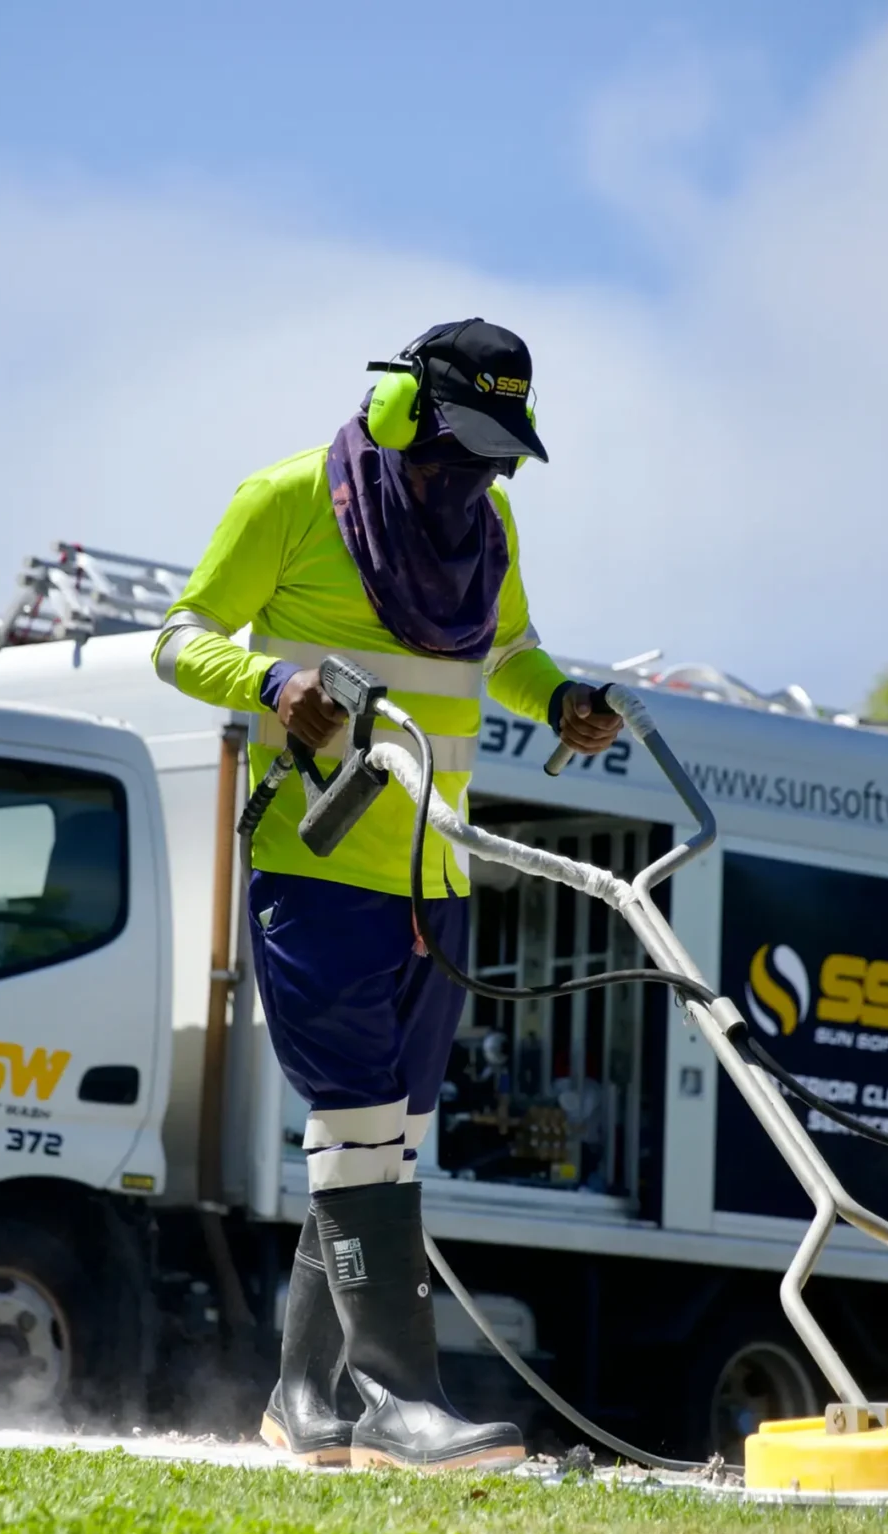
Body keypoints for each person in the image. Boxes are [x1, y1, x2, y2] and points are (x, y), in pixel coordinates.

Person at [153, 318, 621, 1471]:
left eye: (498, 457)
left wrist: (560, 700)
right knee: (360, 1125)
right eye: (461, 448)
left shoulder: (487, 526)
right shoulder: (284, 501)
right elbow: (176, 639)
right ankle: (400, 1406)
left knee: (386, 1146)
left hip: (435, 877)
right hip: (316, 870)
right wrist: (271, 680)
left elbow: (505, 654)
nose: (475, 476)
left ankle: (298, 1400)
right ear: (406, 409)